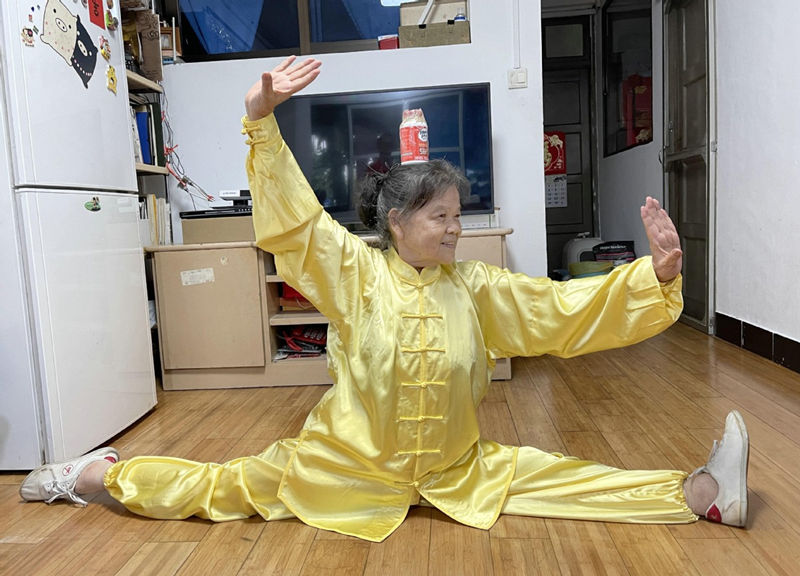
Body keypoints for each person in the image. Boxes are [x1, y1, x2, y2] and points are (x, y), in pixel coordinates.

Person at [19, 56, 749, 541]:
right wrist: (260, 120)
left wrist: (650, 277)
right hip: (343, 465)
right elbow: (298, 222)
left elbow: (561, 311)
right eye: (441, 218)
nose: (456, 231)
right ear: (396, 223)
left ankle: (702, 493)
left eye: (460, 218)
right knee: (225, 488)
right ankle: (91, 476)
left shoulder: (478, 288)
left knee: (550, 474)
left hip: (453, 467)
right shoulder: (354, 272)